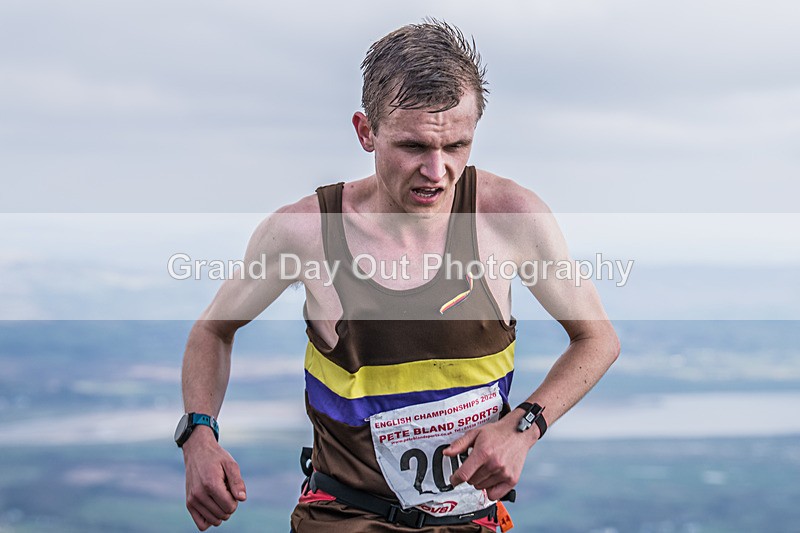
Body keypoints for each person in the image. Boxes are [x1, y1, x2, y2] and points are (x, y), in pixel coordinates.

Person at [177, 20, 620, 533]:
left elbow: (597, 338)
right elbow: (213, 328)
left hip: (471, 521)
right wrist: (199, 436)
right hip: (342, 517)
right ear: (366, 131)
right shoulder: (306, 231)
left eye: (456, 146)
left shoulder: (509, 217)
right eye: (413, 147)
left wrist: (523, 428)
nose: (437, 171)